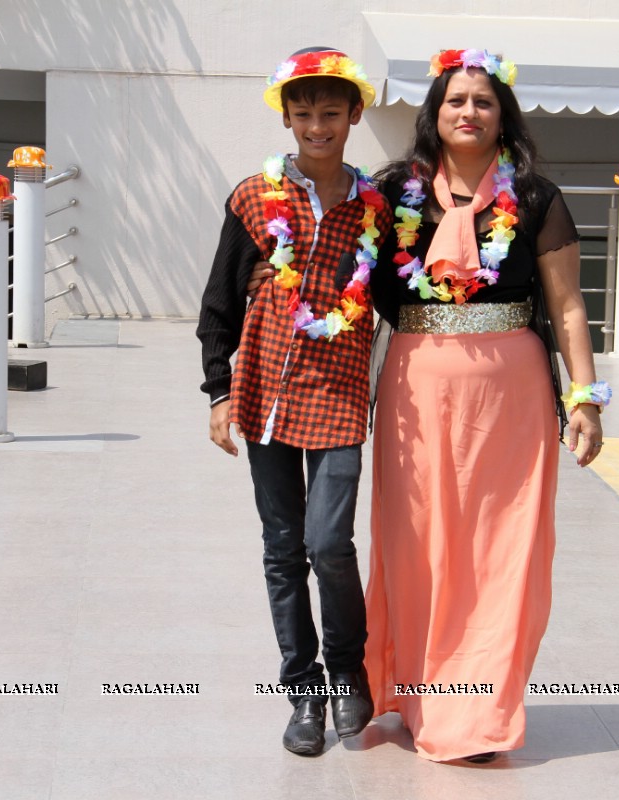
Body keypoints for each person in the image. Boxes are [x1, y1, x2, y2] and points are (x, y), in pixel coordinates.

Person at [363, 49, 610, 763]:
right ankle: (414, 698)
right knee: (418, 547)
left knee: (504, 551)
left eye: (482, 101)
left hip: (512, 394)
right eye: (454, 101)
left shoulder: (536, 198)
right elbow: (348, 278)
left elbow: (566, 309)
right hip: (414, 386)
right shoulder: (393, 193)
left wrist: (584, 400)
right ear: (433, 116)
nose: (467, 111)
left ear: (504, 116)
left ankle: (476, 717)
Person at [195, 47, 393, 756]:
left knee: (327, 545)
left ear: (353, 116)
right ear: (287, 117)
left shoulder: (376, 210)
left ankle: (348, 672)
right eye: (304, 113)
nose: (317, 125)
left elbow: (403, 295)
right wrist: (219, 390)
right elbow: (218, 302)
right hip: (265, 399)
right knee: (282, 552)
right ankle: (303, 693)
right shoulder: (255, 199)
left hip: (340, 399)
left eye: (330, 113)